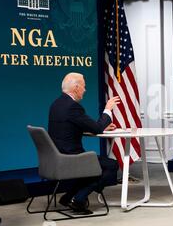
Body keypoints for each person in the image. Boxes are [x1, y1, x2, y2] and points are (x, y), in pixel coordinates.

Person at [48, 73, 120, 214]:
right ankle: (79, 199)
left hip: (56, 158)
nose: (85, 90)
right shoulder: (73, 107)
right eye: (84, 87)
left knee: (95, 166)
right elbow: (97, 128)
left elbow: (72, 127)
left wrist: (101, 127)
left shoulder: (56, 104)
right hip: (71, 158)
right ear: (76, 88)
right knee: (111, 165)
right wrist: (108, 109)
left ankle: (68, 197)